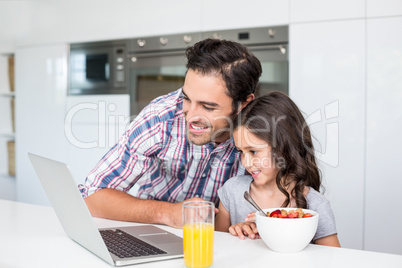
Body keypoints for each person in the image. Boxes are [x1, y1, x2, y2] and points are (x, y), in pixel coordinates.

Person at [79, 38, 262, 228]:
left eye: (207, 107)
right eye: (187, 98)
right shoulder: (160, 118)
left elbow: (286, 197)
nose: (190, 116)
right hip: (156, 227)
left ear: (244, 104)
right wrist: (167, 214)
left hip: (223, 237)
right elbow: (91, 196)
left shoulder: (264, 130)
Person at [215, 91, 341, 247]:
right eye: (241, 152)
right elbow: (217, 248)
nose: (246, 163)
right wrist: (236, 233)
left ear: (283, 148)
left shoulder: (315, 205)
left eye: (253, 151)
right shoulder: (232, 191)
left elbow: (333, 260)